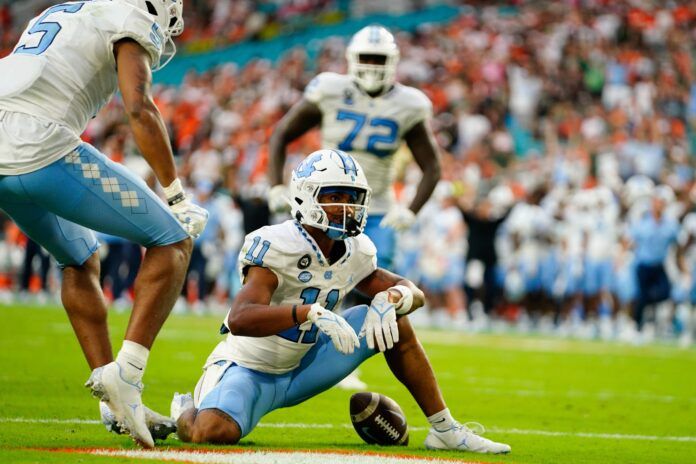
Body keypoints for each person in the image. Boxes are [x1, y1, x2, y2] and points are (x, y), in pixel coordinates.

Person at [170, 149, 510, 455]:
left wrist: (391, 298)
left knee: (391, 318)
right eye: (335, 196)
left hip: (306, 366)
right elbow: (241, 318)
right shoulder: (277, 243)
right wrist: (308, 313)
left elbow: (412, 291)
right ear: (305, 197)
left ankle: (444, 429)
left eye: (354, 198)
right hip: (251, 369)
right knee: (209, 433)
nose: (347, 207)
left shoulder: (356, 249)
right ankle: (183, 409)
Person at [0, 0, 208, 448]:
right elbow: (140, 107)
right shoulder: (130, 15)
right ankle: (127, 379)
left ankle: (112, 399)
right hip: (39, 143)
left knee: (80, 259)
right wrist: (176, 194)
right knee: (174, 240)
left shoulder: (58, 11)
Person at [268, 25, 441, 271]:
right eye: (365, 57)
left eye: (378, 58)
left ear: (392, 61)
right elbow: (281, 134)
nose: (371, 64)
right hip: (323, 203)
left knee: (376, 281)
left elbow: (432, 166)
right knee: (307, 273)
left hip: (376, 208)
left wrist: (411, 211)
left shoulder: (409, 104)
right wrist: (275, 185)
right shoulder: (330, 89)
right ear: (352, 58)